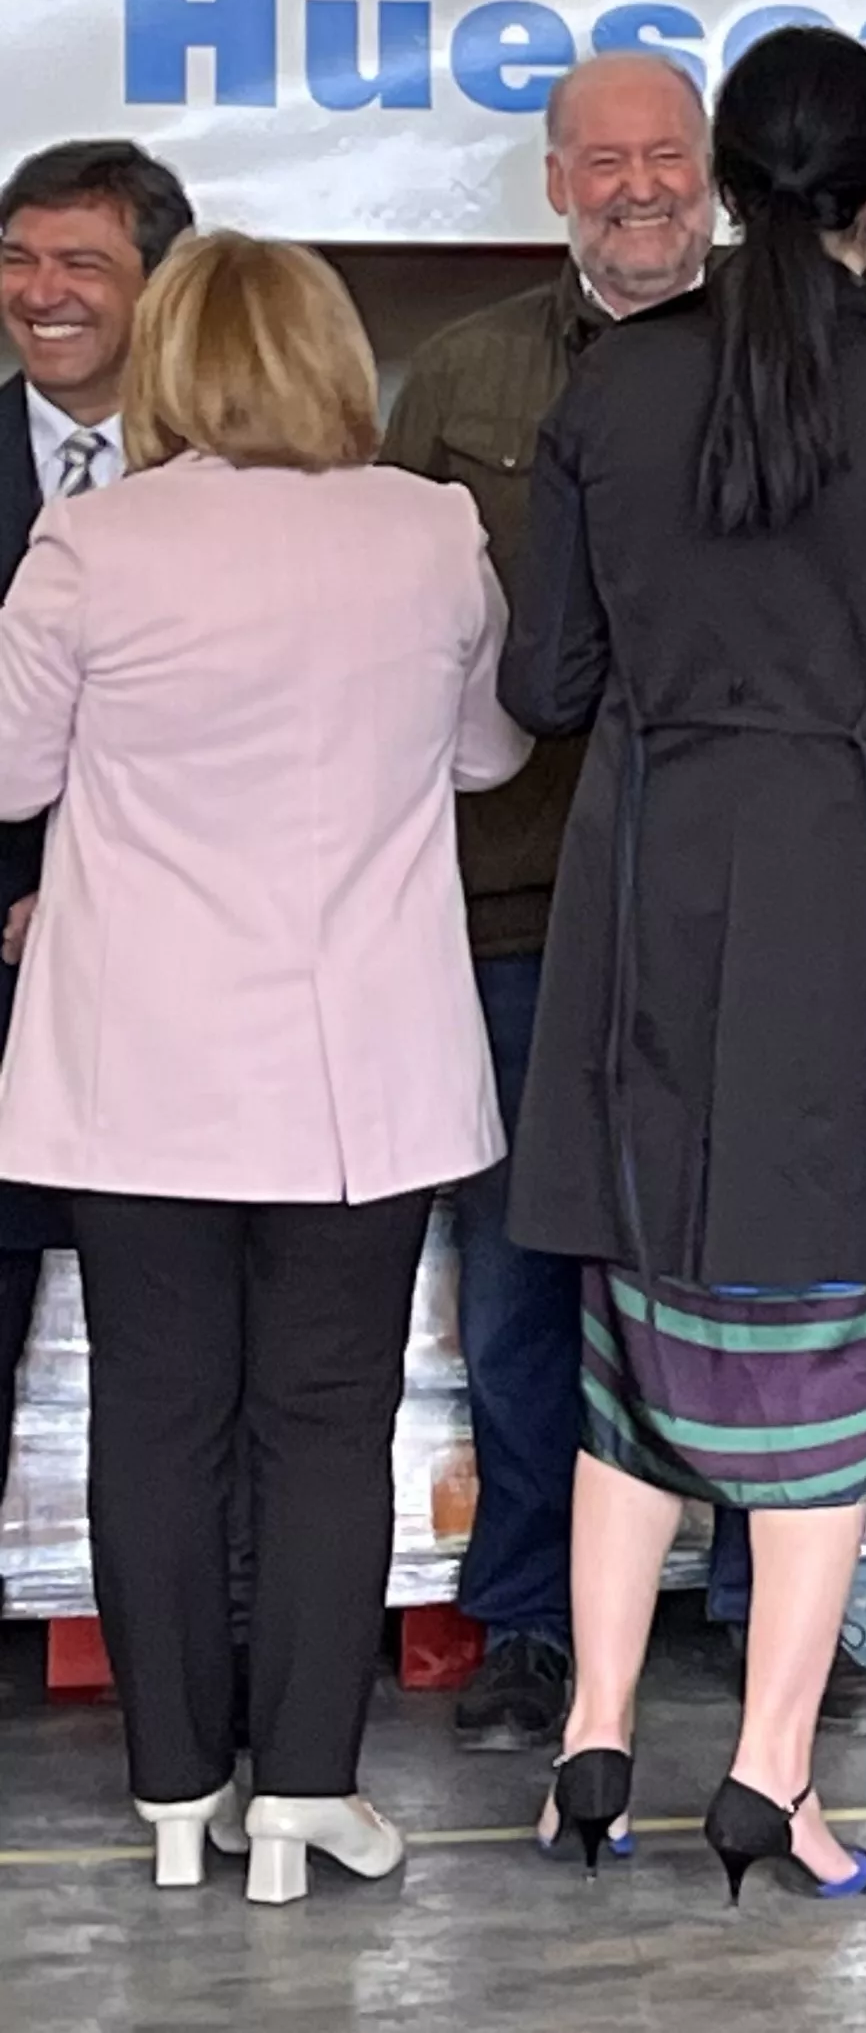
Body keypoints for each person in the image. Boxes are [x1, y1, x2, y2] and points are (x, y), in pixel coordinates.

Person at [503, 26, 866, 1900]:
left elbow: (549, 688)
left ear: (726, 181)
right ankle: (769, 1771)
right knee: (841, 1320)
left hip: (653, 879)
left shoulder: (609, 394)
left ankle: (592, 1740)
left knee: (634, 1314)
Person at [0, 230, 529, 1901]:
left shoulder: (89, 542)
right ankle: (304, 1788)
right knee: (326, 1423)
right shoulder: (428, 530)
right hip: (356, 1070)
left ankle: (171, 1793)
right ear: (330, 357)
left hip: (137, 1067)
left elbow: (10, 770)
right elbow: (487, 751)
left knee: (160, 1423)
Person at [376, 52, 787, 1756]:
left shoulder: (792, 351)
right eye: (603, 161)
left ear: (717, 174)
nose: (639, 187)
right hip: (521, 906)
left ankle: (783, 1618)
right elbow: (399, 651)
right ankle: (537, 1621)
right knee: (533, 1285)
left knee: (760, 1271)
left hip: (757, 911)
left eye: (668, 157)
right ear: (552, 182)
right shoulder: (460, 379)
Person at [0, 140, 191, 1522]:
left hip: (184, 1009)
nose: (41, 292)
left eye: (81, 262)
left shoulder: (246, 487)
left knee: (182, 1375)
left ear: (162, 286)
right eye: (18, 259)